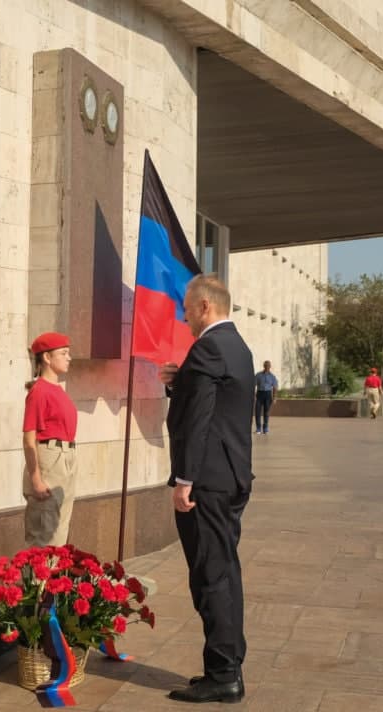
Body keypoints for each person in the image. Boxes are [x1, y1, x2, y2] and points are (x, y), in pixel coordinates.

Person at [159, 274, 254, 704]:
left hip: (207, 483)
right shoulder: (237, 347)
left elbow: (196, 421)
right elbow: (210, 403)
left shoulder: (209, 347)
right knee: (224, 573)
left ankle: (224, 675)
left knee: (211, 576)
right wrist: (179, 383)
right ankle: (225, 664)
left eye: (186, 307)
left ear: (204, 307)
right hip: (229, 478)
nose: (183, 315)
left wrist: (184, 481)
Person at [22, 331, 78, 547]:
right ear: (47, 357)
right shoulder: (40, 391)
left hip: (66, 457)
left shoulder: (57, 390)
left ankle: (51, 579)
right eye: (63, 353)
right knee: (44, 534)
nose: (69, 357)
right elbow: (29, 439)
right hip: (50, 459)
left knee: (59, 531)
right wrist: (35, 478)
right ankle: (36, 580)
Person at [254, 360, 278, 434]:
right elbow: (253, 385)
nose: (267, 367)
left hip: (268, 394)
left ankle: (265, 428)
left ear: (270, 367)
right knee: (257, 411)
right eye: (265, 365)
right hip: (260, 394)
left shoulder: (272, 376)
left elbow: (275, 387)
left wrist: (274, 398)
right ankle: (258, 428)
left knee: (266, 412)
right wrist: (253, 396)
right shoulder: (258, 375)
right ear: (263, 366)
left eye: (268, 365)